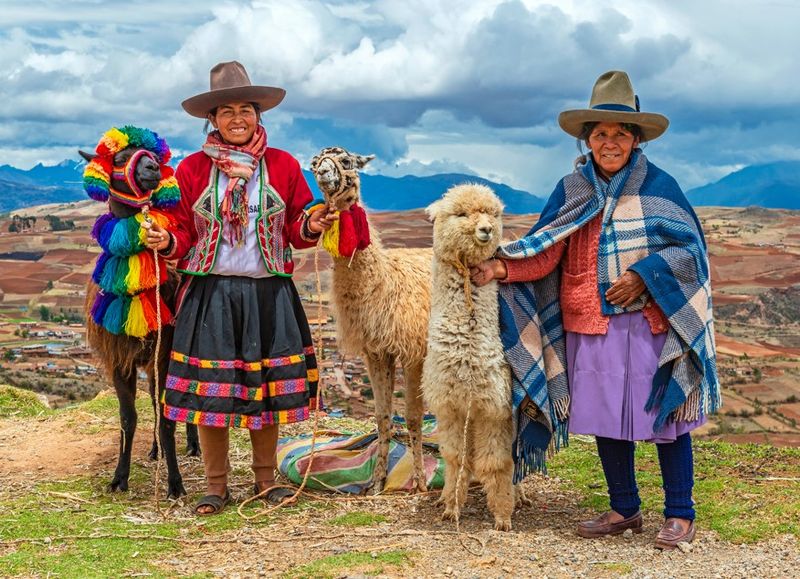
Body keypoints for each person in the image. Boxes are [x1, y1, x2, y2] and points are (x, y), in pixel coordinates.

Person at [471, 71, 720, 549]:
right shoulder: (572, 189)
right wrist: (501, 271)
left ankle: (680, 513)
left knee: (665, 417)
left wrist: (644, 275)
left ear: (636, 138)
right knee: (609, 419)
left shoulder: (660, 188)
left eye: (620, 133)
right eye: (601, 133)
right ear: (588, 139)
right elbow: (547, 249)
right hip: (590, 322)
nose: (610, 141)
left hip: (651, 324)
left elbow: (692, 253)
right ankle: (624, 509)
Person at [144, 61, 336, 515]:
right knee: (214, 393)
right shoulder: (191, 171)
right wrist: (167, 240)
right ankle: (215, 486)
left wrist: (312, 220)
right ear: (212, 119)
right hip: (211, 295)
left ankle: (266, 481)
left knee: (263, 391)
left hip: (269, 293)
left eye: (245, 109)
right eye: (226, 110)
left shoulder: (284, 165)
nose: (237, 118)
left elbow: (296, 227)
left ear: (258, 115)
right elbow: (184, 234)